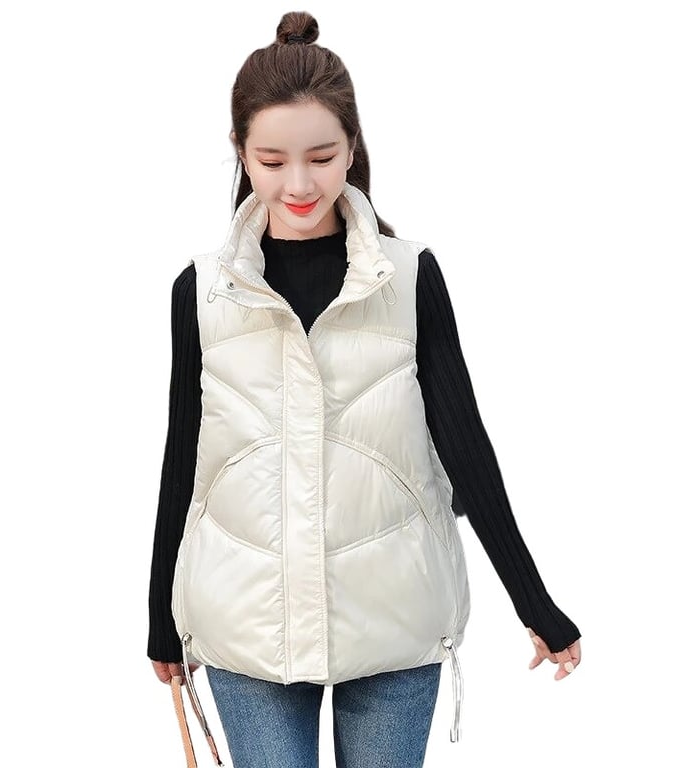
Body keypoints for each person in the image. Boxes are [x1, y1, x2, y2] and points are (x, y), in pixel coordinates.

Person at [147, 10, 582, 768]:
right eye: (272, 160)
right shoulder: (203, 292)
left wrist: (534, 602)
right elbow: (183, 459)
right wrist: (161, 619)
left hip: (394, 618)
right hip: (246, 625)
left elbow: (466, 449)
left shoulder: (409, 277)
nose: (300, 184)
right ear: (241, 153)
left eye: (322, 156)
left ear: (353, 147)